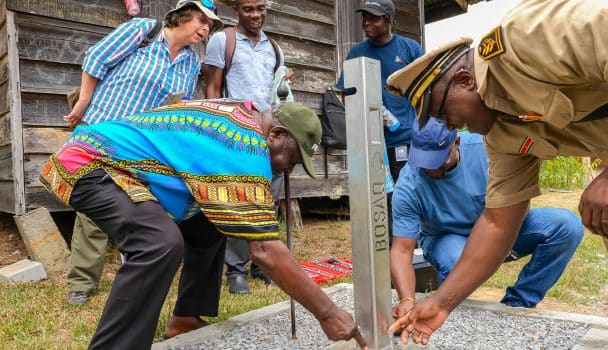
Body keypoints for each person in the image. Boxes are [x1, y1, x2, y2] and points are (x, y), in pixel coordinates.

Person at [385, 0, 608, 348]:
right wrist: (441, 302)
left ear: (465, 80)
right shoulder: (500, 133)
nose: (453, 126)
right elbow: (498, 221)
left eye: (445, 114)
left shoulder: (522, 38)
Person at [40, 99, 367, 349]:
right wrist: (329, 314)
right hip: (92, 162)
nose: (287, 172)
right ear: (276, 135)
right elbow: (265, 250)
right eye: (291, 160)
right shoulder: (245, 148)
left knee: (212, 223)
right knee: (159, 243)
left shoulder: (245, 117)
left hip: (121, 165)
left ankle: (184, 319)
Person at [61, 0, 222, 306]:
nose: (205, 29)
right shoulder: (142, 31)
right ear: (183, 15)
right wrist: (83, 101)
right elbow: (96, 60)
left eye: (210, 26)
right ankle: (81, 282)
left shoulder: (190, 62)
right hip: (103, 133)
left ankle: (133, 270)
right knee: (95, 211)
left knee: (136, 204)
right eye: (203, 20)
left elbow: (178, 104)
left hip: (142, 145)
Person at [391, 118, 582, 321]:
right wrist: (407, 301)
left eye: (438, 161)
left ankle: (517, 305)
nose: (431, 170)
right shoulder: (409, 185)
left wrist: (497, 244)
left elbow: (519, 203)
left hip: (504, 226)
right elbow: (402, 250)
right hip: (447, 237)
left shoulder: (489, 149)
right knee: (456, 260)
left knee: (567, 226)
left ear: (456, 143)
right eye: (424, 162)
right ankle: (451, 313)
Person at [204, 0, 293, 294]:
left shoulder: (274, 48)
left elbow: (277, 91)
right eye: (248, 9)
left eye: (260, 9)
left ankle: (263, 263)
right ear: (236, 11)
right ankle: (236, 270)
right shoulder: (223, 40)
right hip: (237, 129)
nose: (255, 15)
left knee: (270, 197)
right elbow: (213, 88)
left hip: (269, 132)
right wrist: (218, 132)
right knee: (239, 199)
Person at [335, 0, 423, 237]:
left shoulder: (409, 49)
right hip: (371, 142)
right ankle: (384, 247)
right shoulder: (357, 53)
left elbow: (426, 87)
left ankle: (407, 246)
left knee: (405, 193)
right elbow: (346, 94)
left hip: (404, 137)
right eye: (364, 17)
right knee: (379, 196)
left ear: (389, 20)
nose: (366, 23)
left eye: (373, 18)